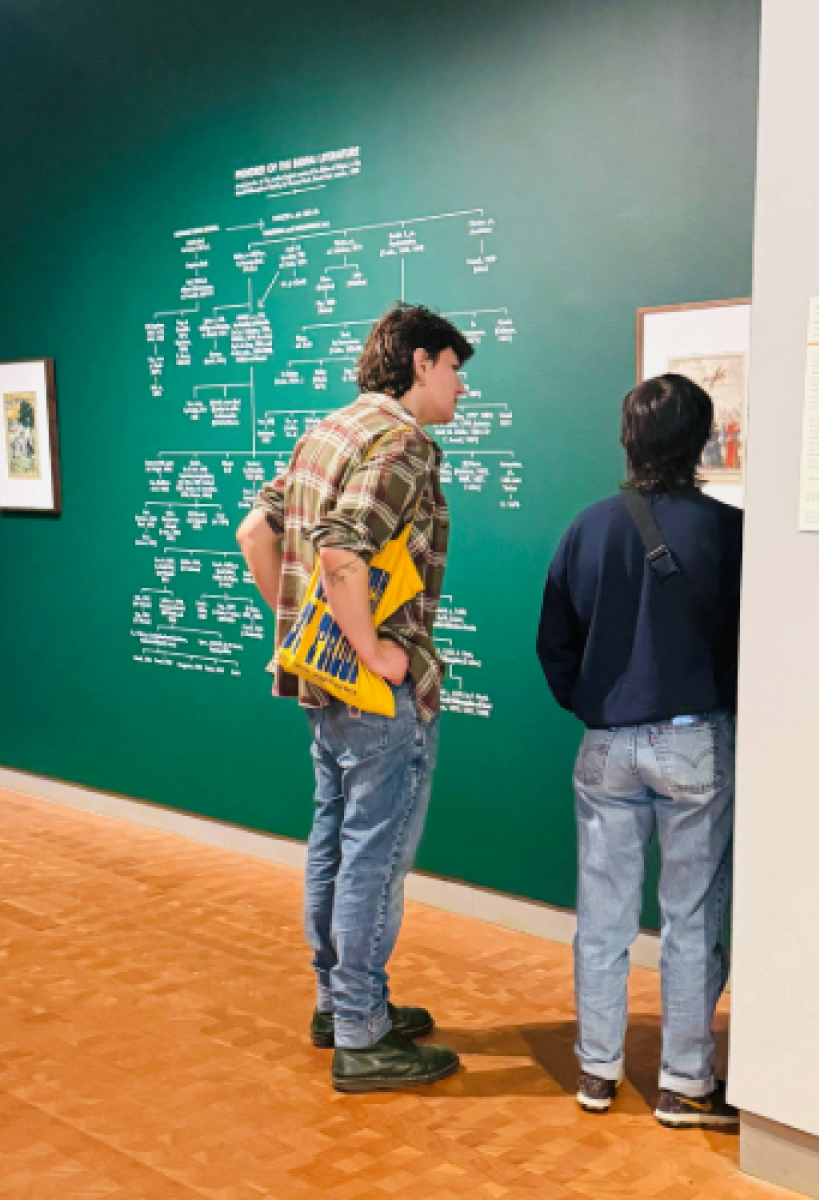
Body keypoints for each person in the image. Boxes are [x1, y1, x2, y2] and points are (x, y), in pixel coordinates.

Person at [237, 302, 470, 1091]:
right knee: (375, 853)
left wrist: (304, 629)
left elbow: (254, 533)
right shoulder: (402, 442)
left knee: (334, 841)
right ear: (420, 363)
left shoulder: (327, 432)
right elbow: (342, 544)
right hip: (374, 693)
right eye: (453, 368)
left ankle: (337, 1006)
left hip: (323, 686)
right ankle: (363, 1036)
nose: (461, 386)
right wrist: (371, 649)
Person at [536, 373, 742, 1128]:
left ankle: (597, 1070)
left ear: (628, 439)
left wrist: (598, 706)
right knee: (691, 919)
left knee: (602, 918)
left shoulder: (586, 528)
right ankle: (686, 1083)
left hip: (604, 746)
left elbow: (553, 643)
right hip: (694, 741)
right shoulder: (731, 532)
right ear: (702, 440)